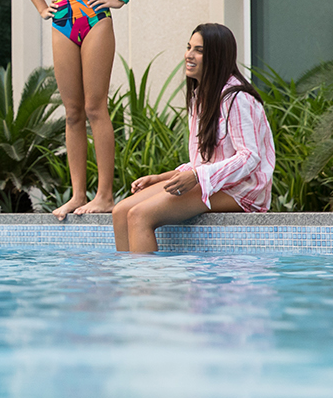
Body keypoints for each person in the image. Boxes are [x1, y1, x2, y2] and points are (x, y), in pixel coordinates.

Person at [20, 0, 154, 219]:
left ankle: (105, 195)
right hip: (63, 24)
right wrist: (41, 6)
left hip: (94, 21)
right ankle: (78, 195)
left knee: (96, 108)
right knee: (73, 112)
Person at [111, 23, 276, 253]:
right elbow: (205, 162)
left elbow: (249, 158)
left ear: (216, 56)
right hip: (214, 183)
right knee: (121, 212)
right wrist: (163, 177)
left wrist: (197, 176)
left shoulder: (237, 98)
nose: (189, 55)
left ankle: (145, 288)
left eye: (199, 50)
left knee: (140, 216)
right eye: (189, 47)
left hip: (241, 191)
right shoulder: (201, 97)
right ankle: (129, 284)